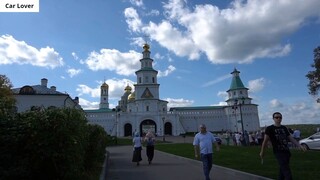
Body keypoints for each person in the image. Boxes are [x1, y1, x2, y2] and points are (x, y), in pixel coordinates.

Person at [259, 112, 306, 180]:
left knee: (282, 169)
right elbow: (265, 141)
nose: (279, 119)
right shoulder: (270, 128)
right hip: (278, 152)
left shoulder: (284, 128)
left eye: (280, 117)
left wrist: (299, 146)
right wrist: (262, 152)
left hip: (287, 152)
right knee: (287, 173)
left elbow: (291, 138)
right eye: (276, 117)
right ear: (273, 119)